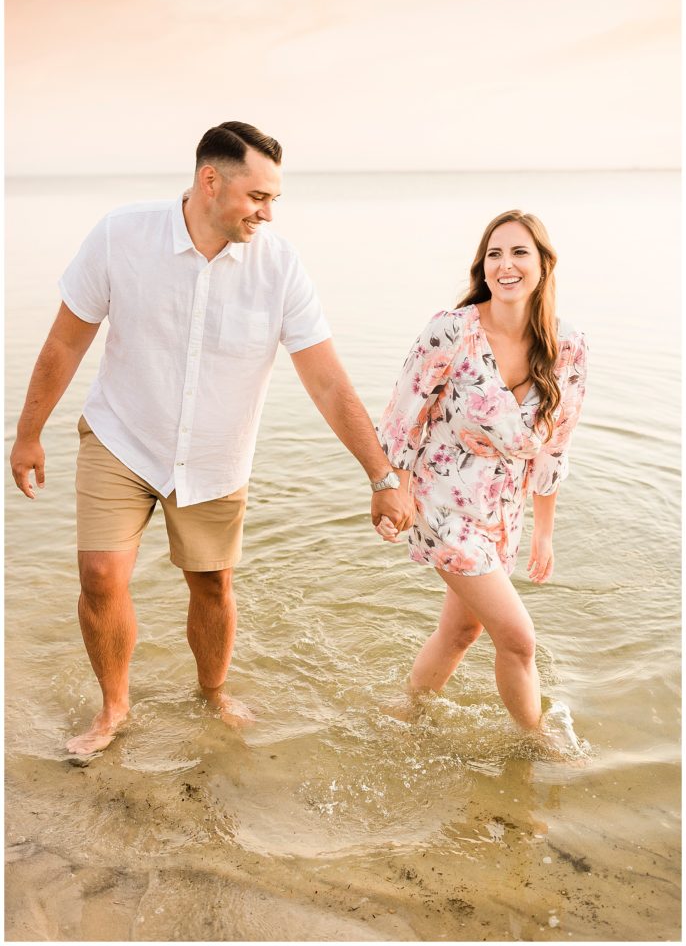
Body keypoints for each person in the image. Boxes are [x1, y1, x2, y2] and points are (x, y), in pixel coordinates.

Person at [10, 121, 413, 755]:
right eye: (259, 196)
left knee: (212, 585)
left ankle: (211, 692)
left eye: (275, 198)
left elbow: (329, 383)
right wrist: (28, 432)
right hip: (122, 436)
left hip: (215, 455)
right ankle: (114, 707)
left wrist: (382, 475)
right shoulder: (122, 235)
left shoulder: (280, 267)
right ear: (210, 180)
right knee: (99, 576)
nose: (269, 212)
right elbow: (66, 339)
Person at [375, 209, 587, 735]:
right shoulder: (451, 332)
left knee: (462, 632)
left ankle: (406, 715)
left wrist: (544, 533)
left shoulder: (569, 348)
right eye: (495, 253)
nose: (505, 264)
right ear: (482, 266)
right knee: (518, 638)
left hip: (501, 514)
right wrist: (392, 492)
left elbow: (555, 448)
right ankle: (535, 745)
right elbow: (404, 418)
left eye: (519, 252)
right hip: (441, 503)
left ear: (543, 265)